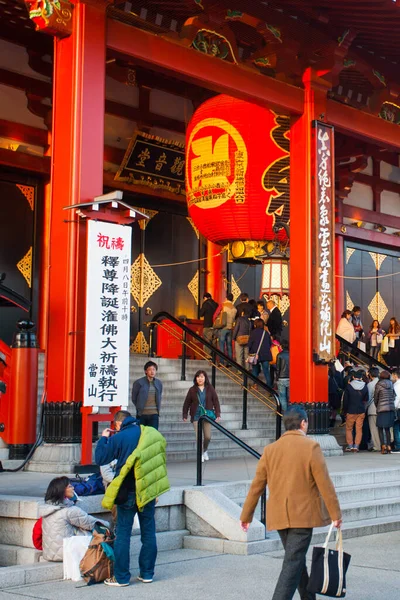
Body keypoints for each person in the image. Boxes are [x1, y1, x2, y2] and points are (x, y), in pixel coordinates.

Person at [240, 406, 342, 600]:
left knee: (296, 560)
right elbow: (325, 484)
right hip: (302, 516)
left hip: (279, 516)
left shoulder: (270, 450)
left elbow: (257, 486)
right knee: (293, 562)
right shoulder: (311, 447)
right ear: (303, 423)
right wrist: (336, 515)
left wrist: (246, 516)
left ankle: (308, 597)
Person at [95, 410, 169, 587]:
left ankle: (121, 577)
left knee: (123, 534)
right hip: (147, 491)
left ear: (118, 424)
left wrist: (104, 438)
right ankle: (147, 573)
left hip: (127, 492)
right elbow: (158, 462)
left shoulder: (119, 437)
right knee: (149, 532)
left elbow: (100, 457)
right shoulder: (151, 433)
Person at [40, 476, 109, 562]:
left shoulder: (48, 508)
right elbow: (92, 523)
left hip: (49, 553)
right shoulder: (69, 511)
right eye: (70, 486)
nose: (73, 488)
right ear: (62, 491)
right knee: (98, 532)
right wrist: (109, 525)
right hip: (65, 553)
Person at [182, 370, 221, 462]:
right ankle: (200, 454)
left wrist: (218, 413)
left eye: (202, 377)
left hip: (207, 415)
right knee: (198, 437)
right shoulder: (192, 389)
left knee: (207, 436)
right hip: (196, 416)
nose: (200, 378)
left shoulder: (210, 388)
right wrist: (185, 414)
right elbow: (187, 403)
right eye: (198, 377)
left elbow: (215, 401)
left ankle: (205, 450)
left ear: (205, 378)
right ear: (196, 378)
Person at [131, 361, 163, 430]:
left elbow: (159, 395)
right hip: (142, 414)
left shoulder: (158, 383)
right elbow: (134, 398)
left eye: (154, 369)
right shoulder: (138, 382)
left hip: (154, 414)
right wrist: (139, 407)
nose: (152, 372)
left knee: (153, 435)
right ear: (146, 371)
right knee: (141, 435)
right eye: (150, 369)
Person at [342, 369, 368, 452]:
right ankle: (356, 446)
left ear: (353, 377)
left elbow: (345, 401)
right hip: (361, 410)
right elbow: (366, 399)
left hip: (350, 410)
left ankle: (350, 445)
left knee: (349, 429)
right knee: (359, 429)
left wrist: (344, 411)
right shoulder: (365, 386)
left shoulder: (349, 387)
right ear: (361, 378)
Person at [374, 371, 396, 454]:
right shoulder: (391, 384)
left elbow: (376, 397)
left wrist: (377, 405)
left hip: (381, 409)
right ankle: (389, 446)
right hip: (390, 409)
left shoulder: (378, 385)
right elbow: (394, 396)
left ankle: (383, 446)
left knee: (380, 428)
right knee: (387, 428)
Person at [248, 318, 272, 388]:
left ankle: (254, 384)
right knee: (266, 372)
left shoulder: (253, 333)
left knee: (255, 370)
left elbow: (249, 344)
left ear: (255, 325)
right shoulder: (266, 333)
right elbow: (270, 343)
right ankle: (269, 388)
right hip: (265, 354)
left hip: (255, 354)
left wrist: (250, 352)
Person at [218, 292, 237, 366]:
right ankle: (230, 362)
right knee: (229, 345)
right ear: (232, 299)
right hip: (230, 328)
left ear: (226, 298)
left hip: (223, 327)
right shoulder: (234, 308)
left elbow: (216, 314)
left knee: (222, 345)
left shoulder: (223, 305)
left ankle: (221, 362)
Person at [367, 367, 380, 452]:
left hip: (372, 408)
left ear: (370, 375)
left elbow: (368, 399)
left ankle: (377, 446)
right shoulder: (383, 382)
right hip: (383, 408)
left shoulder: (370, 385)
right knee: (382, 428)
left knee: (374, 428)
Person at [276, 339, 290, 410]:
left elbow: (278, 368)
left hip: (281, 378)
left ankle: (285, 413)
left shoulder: (279, 355)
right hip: (290, 378)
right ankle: (290, 413)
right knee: (289, 397)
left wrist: (277, 378)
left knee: (282, 397)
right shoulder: (292, 354)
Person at [328, 362, 343, 428]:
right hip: (336, 393)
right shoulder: (338, 373)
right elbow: (341, 384)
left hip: (328, 392)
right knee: (335, 408)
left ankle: (327, 419)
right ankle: (333, 420)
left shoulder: (327, 373)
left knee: (328, 407)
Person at [391, 369, 400, 453]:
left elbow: (397, 398)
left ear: (395, 375)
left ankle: (398, 446)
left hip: (398, 408)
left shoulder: (396, 385)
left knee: (396, 427)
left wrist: (394, 407)